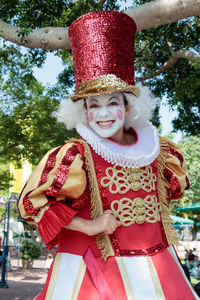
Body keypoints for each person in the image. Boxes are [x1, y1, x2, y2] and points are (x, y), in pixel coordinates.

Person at [18, 11, 199, 300]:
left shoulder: (161, 152)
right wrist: (90, 226)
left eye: (112, 103)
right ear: (84, 111)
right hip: (92, 274)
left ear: (128, 107)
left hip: (159, 273)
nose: (102, 114)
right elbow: (33, 203)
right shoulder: (74, 155)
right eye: (93, 105)